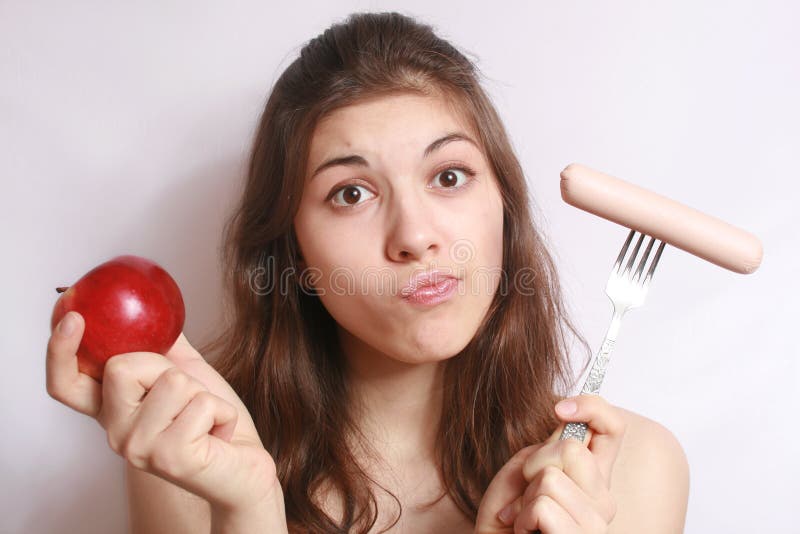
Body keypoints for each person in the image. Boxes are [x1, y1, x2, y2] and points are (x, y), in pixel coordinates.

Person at [46, 11, 689, 534]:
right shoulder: (191, 459)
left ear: (505, 205)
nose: (414, 236)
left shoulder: (632, 472)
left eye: (449, 176)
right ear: (292, 251)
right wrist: (248, 510)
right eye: (351, 193)